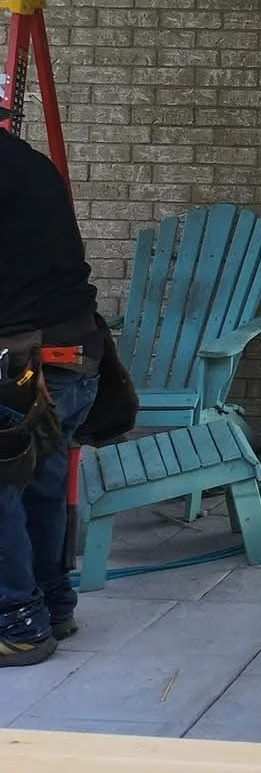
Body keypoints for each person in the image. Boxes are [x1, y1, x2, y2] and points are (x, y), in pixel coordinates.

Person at [0, 116, 102, 664]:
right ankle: (53, 606)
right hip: (73, 357)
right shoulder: (30, 163)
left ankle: (15, 623)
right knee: (39, 484)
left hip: (22, 365)